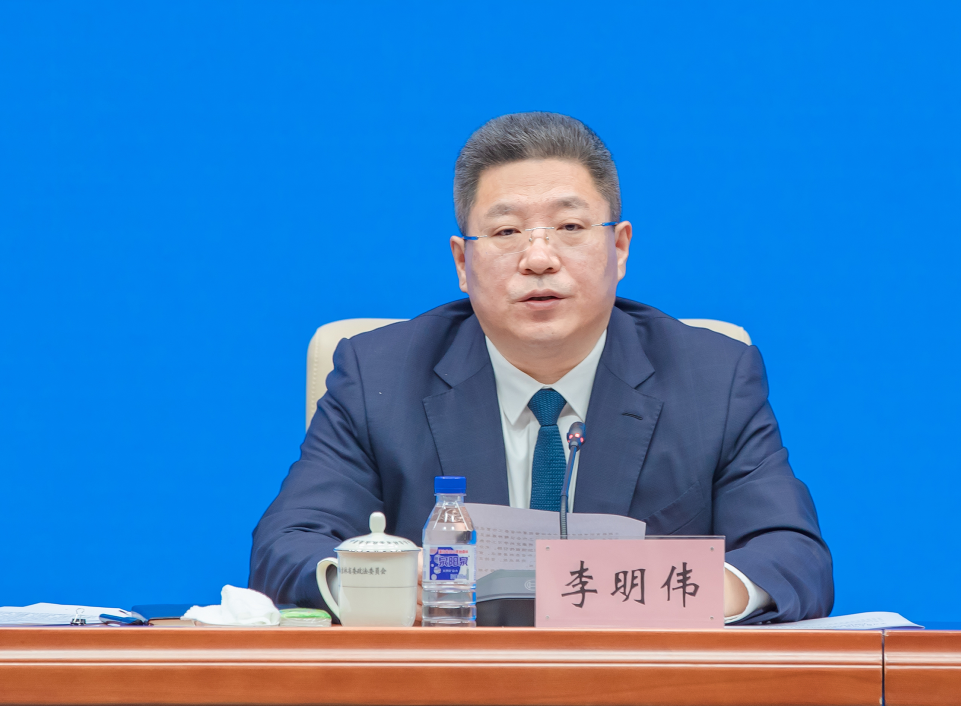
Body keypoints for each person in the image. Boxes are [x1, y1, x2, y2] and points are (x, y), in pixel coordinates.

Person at [250, 112, 832, 623]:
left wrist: (669, 593)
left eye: (570, 228)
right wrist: (390, 587)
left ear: (619, 248)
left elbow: (793, 556)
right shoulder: (378, 375)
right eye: (506, 232)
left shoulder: (713, 378)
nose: (538, 258)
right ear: (462, 262)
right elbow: (285, 547)